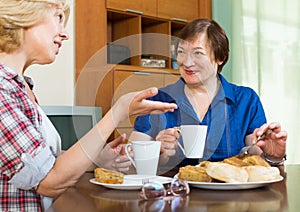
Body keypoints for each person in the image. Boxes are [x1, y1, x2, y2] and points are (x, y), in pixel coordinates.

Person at [0, 0, 178, 211]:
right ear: (24, 14)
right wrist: (117, 111)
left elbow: (46, 163)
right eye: (58, 18)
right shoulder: (2, 90)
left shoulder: (20, 87)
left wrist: (98, 160)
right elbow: (49, 181)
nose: (65, 34)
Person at [129, 18, 287, 173]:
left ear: (220, 58)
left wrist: (272, 155)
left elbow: (255, 154)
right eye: (181, 52)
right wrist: (157, 152)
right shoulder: (157, 99)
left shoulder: (246, 100)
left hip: (231, 197)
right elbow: (130, 161)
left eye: (198, 53)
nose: (187, 62)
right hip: (174, 196)